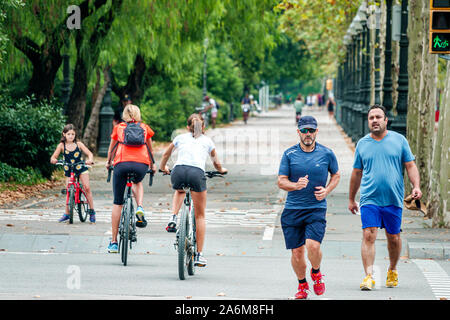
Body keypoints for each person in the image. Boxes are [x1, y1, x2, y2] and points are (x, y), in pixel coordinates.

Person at [348, 104, 422, 291]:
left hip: (393, 198)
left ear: (386, 120)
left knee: (394, 238)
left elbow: (410, 166)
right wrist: (351, 199)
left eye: (378, 117)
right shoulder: (363, 144)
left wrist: (416, 186)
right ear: (368, 121)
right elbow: (356, 173)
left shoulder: (399, 140)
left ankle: (392, 269)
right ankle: (368, 276)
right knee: (368, 234)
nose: (374, 120)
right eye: (371, 117)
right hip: (369, 198)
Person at [278, 116, 340, 299]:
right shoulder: (289, 154)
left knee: (312, 246)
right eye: (304, 130)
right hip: (293, 210)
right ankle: (302, 285)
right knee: (297, 252)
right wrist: (295, 185)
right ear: (298, 132)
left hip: (315, 208)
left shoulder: (327, 153)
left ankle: (316, 272)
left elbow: (336, 175)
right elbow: (281, 181)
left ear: (316, 132)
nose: (308, 134)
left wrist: (327, 190)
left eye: (311, 130)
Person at [159, 113, 227, 267]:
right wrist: (221, 170)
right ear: (203, 127)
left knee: (180, 190)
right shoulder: (208, 141)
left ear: (187, 127)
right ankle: (199, 255)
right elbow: (216, 163)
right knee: (200, 216)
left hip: (178, 171)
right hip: (197, 173)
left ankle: (173, 218)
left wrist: (163, 167)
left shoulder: (180, 138)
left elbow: (165, 154)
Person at [105, 104, 156, 253]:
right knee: (137, 182)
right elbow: (150, 150)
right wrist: (152, 166)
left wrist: (109, 163)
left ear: (124, 115)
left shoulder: (119, 128)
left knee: (117, 203)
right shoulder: (145, 128)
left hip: (121, 164)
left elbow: (111, 149)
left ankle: (114, 242)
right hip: (141, 165)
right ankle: (139, 206)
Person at [50, 124, 96, 223]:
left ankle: (92, 211)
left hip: (80, 167)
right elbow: (53, 157)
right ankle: (67, 213)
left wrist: (90, 159)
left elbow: (89, 154)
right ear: (64, 134)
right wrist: (54, 160)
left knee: (87, 187)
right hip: (69, 169)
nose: (71, 136)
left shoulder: (79, 144)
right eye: (68, 134)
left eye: (73, 134)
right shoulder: (62, 145)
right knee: (68, 190)